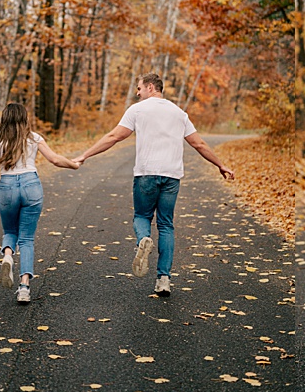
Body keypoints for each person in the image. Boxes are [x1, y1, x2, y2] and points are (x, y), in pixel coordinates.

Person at [74, 73, 234, 297]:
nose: (137, 93)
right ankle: (164, 279)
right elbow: (198, 143)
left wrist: (85, 155)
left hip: (146, 174)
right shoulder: (179, 113)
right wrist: (221, 164)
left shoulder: (137, 110)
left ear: (150, 87)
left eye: (139, 88)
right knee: (166, 225)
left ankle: (143, 240)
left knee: (141, 217)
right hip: (171, 176)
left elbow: (113, 137)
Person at [0, 103, 80, 304]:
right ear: (24, 119)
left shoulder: (0, 141)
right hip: (31, 186)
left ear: (5, 119)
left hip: (8, 187)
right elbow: (55, 160)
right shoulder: (34, 138)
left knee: (10, 232)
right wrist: (73, 165)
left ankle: (7, 256)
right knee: (27, 238)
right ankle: (24, 287)